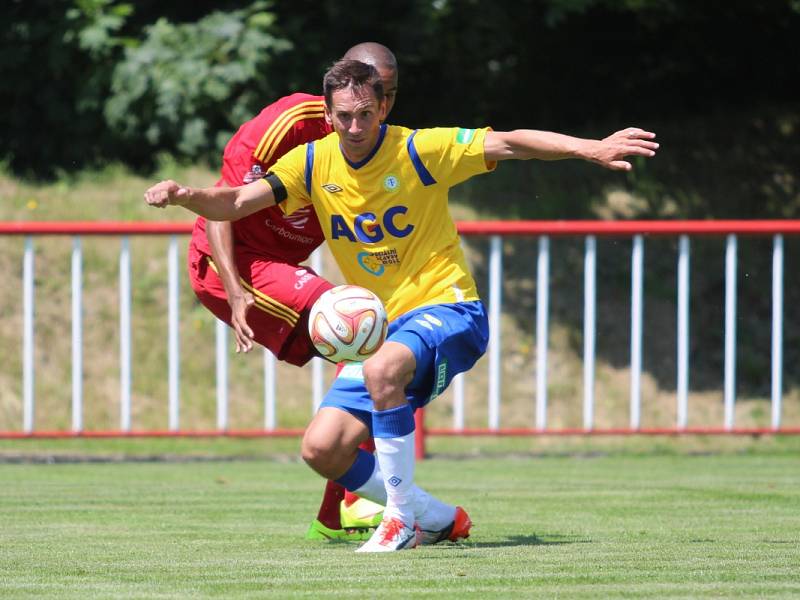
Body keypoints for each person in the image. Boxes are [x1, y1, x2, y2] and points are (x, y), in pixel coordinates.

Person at [144, 60, 659, 552]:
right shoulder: (310, 162)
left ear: (382, 109)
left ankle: (400, 519)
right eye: (343, 116)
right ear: (327, 116)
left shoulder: (418, 150)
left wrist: (589, 148)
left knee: (384, 368)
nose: (354, 126)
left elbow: (510, 142)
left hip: (449, 309)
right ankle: (435, 518)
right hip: (388, 325)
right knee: (322, 449)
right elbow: (234, 203)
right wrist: (185, 194)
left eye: (365, 114)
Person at [188, 44, 398, 542]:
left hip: (283, 266)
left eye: (388, 95)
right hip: (234, 265)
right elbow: (227, 204)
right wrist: (236, 290)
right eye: (372, 90)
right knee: (373, 346)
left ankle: (339, 511)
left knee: (386, 357)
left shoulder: (377, 142)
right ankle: (351, 503)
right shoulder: (288, 124)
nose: (378, 105)